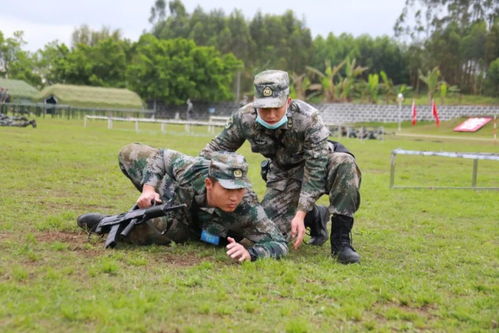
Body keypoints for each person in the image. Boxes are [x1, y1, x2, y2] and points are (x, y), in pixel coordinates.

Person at [201, 70, 362, 264]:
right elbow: (215, 151)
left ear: (288, 101)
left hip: (320, 166)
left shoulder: (309, 118)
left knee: (344, 163)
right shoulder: (245, 118)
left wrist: (301, 210)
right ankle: (315, 216)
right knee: (265, 233)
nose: (270, 115)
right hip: (284, 174)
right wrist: (190, 174)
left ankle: (341, 243)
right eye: (264, 108)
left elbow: (316, 167)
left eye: (276, 108)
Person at [77, 143, 288, 263]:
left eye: (239, 189)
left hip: (195, 230)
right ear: (209, 183)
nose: (235, 196)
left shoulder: (247, 208)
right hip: (174, 196)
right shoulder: (193, 169)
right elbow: (162, 156)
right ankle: (146, 208)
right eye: (227, 189)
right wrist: (149, 188)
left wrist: (251, 253)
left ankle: (108, 223)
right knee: (129, 153)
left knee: (140, 230)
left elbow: (279, 243)